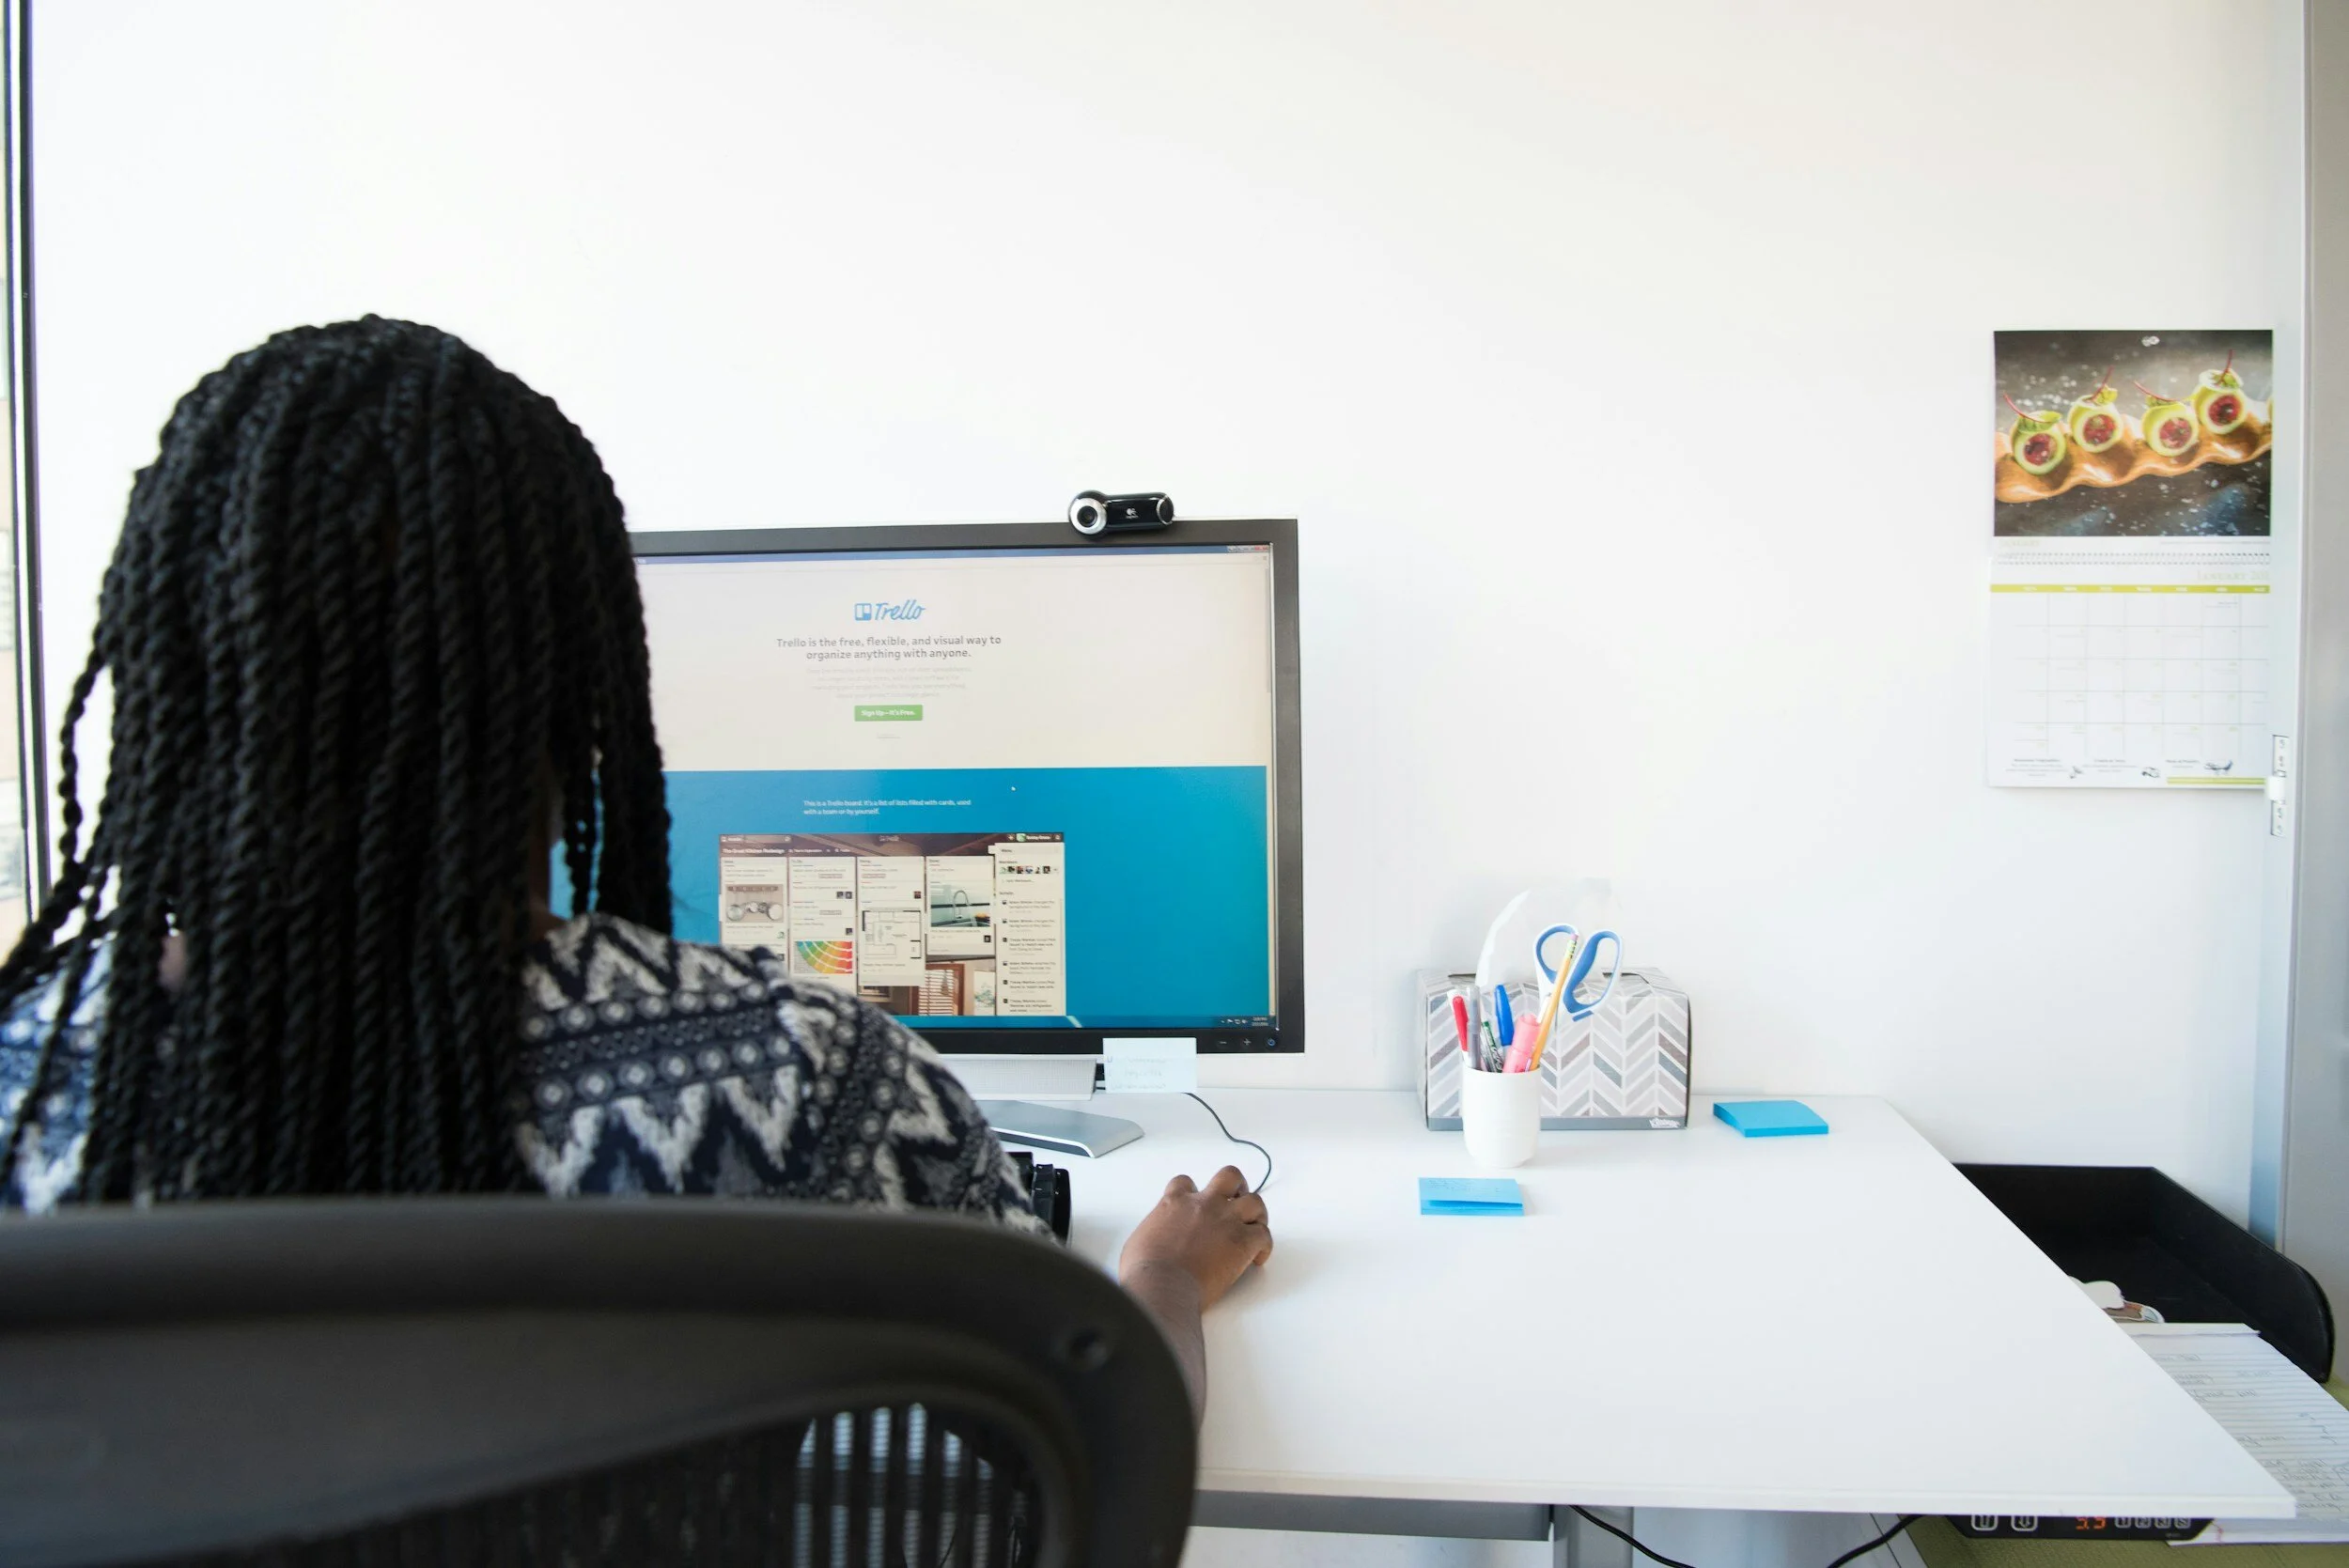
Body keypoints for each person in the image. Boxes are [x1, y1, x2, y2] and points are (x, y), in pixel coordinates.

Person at [0, 317, 1268, 1406]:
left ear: (171, 679)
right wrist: (1160, 1276)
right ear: (574, 693)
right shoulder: (809, 1082)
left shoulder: (30, 1089)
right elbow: (1084, 1422)